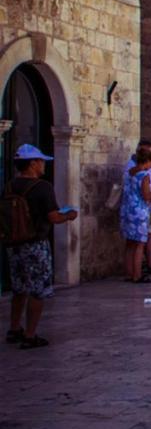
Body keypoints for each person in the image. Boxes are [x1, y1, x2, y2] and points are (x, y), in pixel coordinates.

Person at [2, 145, 77, 349]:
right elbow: (53, 217)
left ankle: (14, 328)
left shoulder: (9, 186)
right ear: (33, 163)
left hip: (14, 243)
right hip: (35, 244)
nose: (43, 165)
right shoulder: (42, 187)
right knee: (38, 291)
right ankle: (30, 334)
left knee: (18, 288)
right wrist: (69, 215)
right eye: (41, 161)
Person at [120, 145, 151, 283]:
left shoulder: (129, 172)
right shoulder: (144, 176)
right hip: (139, 212)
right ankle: (137, 275)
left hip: (127, 210)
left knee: (129, 243)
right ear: (148, 161)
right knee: (139, 244)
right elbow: (146, 196)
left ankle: (128, 273)